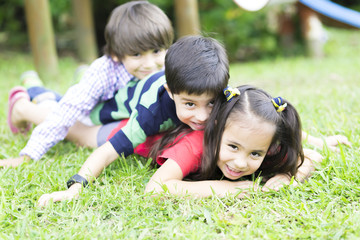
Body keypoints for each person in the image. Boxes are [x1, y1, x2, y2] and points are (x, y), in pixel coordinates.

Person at [37, 84, 325, 206]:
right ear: (216, 129)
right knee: (78, 130)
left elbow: (306, 157)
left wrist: (288, 176)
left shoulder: (257, 137)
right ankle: (30, 106)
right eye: (233, 147)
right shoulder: (196, 144)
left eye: (255, 154)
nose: (240, 163)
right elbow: (156, 189)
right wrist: (226, 188)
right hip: (131, 131)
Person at [35, 35, 229, 206]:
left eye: (211, 103)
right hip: (114, 106)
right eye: (190, 105)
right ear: (171, 92)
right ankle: (34, 93)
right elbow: (107, 152)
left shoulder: (215, 87)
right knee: (71, 110)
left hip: (146, 85)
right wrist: (74, 188)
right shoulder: (150, 113)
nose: (203, 116)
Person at [3, 1, 174, 167]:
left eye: (156, 51)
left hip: (112, 114)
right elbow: (67, 111)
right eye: (137, 54)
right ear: (116, 54)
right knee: (51, 104)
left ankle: (49, 81)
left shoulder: (166, 66)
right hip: (87, 114)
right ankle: (22, 103)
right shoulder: (104, 72)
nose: (150, 64)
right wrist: (29, 154)